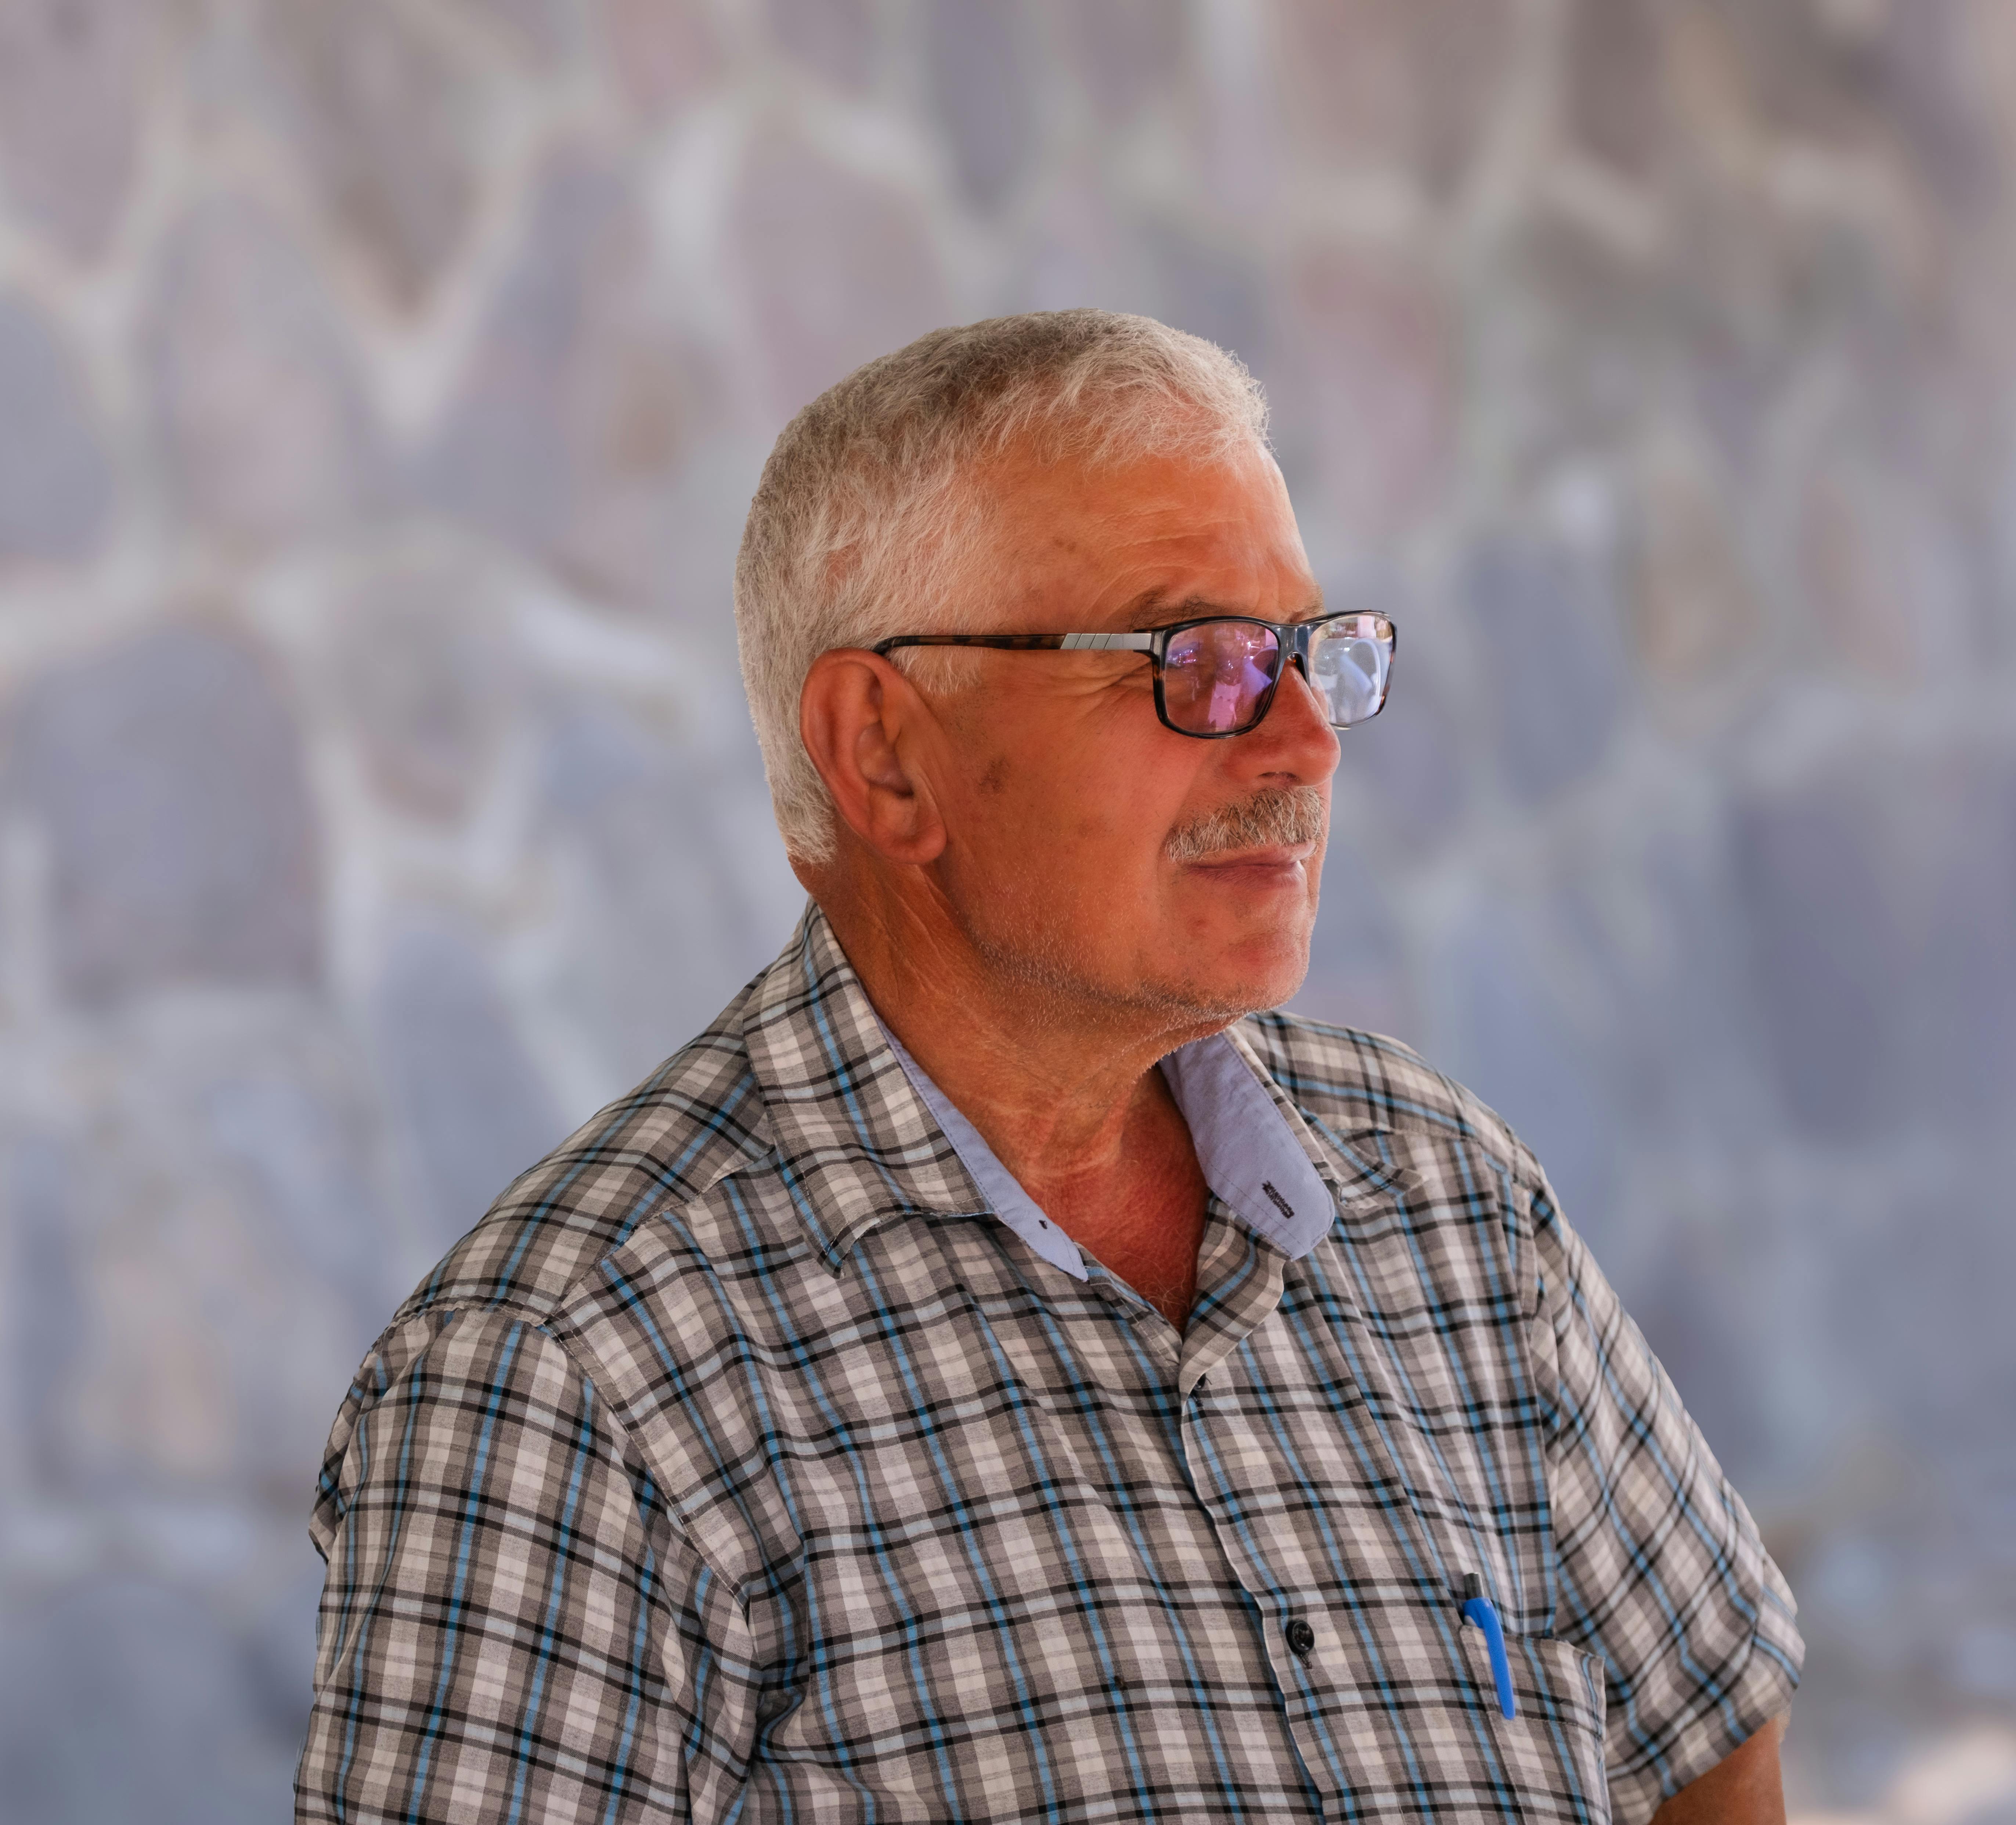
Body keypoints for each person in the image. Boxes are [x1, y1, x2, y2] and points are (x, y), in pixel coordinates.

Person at [296, 310, 1800, 1823]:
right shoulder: (567, 1385)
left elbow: (1704, 1731)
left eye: (1305, 653)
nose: (1300, 744)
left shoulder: (1443, 1197)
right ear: (884, 755)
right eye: (1195, 664)